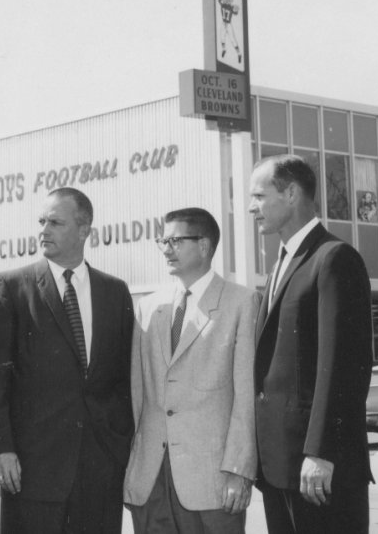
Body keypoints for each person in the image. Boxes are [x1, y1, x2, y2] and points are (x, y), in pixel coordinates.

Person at [0, 187, 134, 534]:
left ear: (84, 231)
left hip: (99, 469)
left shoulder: (115, 291)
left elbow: (123, 380)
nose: (43, 231)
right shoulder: (9, 287)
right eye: (41, 221)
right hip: (32, 470)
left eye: (55, 222)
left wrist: (120, 448)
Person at [248, 154, 374, 534]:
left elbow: (345, 367)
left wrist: (321, 452)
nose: (251, 207)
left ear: (290, 193)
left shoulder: (333, 258)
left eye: (258, 195)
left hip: (317, 469)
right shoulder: (282, 264)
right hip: (281, 468)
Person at [124, 207, 260, 534]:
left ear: (204, 245)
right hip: (152, 478)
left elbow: (246, 398)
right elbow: (136, 395)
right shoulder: (148, 307)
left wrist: (239, 470)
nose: (165, 249)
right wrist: (133, 468)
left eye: (175, 240)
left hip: (213, 480)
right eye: (163, 240)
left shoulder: (241, 303)